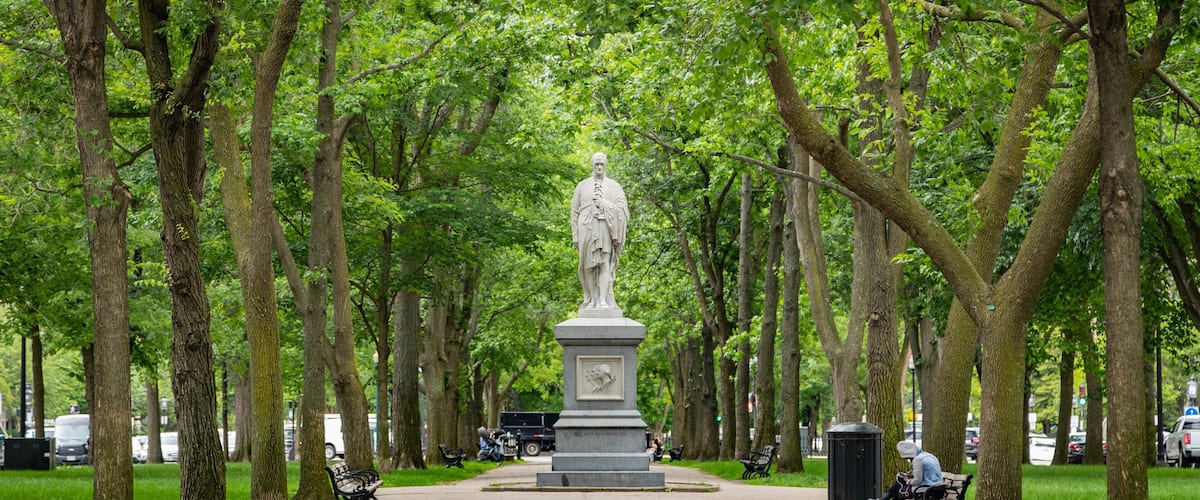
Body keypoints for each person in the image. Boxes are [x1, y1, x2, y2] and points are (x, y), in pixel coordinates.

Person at [571, 152, 629, 313]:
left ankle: (603, 300)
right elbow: (574, 212)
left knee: (604, 262)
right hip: (586, 228)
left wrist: (604, 204)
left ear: (605, 165)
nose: (599, 167)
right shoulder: (582, 186)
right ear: (592, 165)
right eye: (596, 164)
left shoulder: (614, 186)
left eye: (601, 164)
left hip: (605, 227)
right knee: (589, 266)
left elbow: (623, 210)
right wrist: (575, 235)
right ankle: (592, 300)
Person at [871, 440, 943, 500]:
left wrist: (907, 481)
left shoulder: (918, 459)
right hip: (939, 488)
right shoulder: (929, 455)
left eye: (908, 458)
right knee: (897, 485)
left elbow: (917, 481)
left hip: (926, 490)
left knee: (898, 486)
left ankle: (882, 499)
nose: (909, 460)